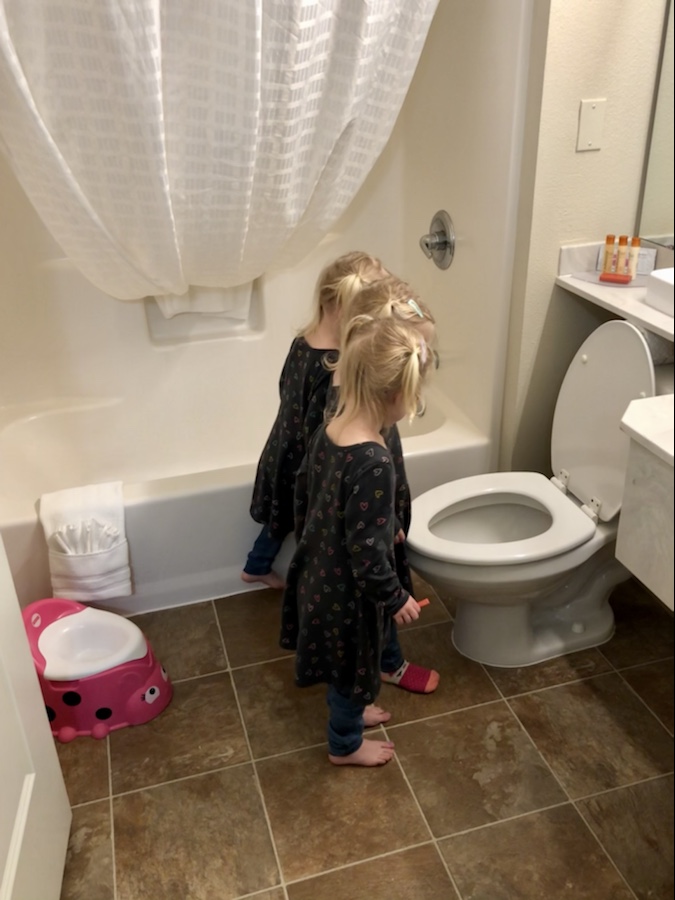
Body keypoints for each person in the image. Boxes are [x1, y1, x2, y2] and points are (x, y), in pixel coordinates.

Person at [280, 313, 440, 767]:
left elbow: (318, 498)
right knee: (352, 668)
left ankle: (353, 706)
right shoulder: (374, 460)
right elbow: (366, 554)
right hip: (349, 594)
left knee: (345, 662)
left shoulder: (331, 428)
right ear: (396, 395)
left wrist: (386, 525)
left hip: (318, 571)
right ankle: (345, 743)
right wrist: (395, 597)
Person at [241, 251, 387, 590]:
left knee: (277, 519)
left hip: (281, 447)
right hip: (302, 462)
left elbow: (285, 389)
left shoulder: (302, 342)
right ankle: (286, 573)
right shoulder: (334, 366)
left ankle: (256, 565)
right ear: (351, 315)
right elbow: (325, 430)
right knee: (296, 522)